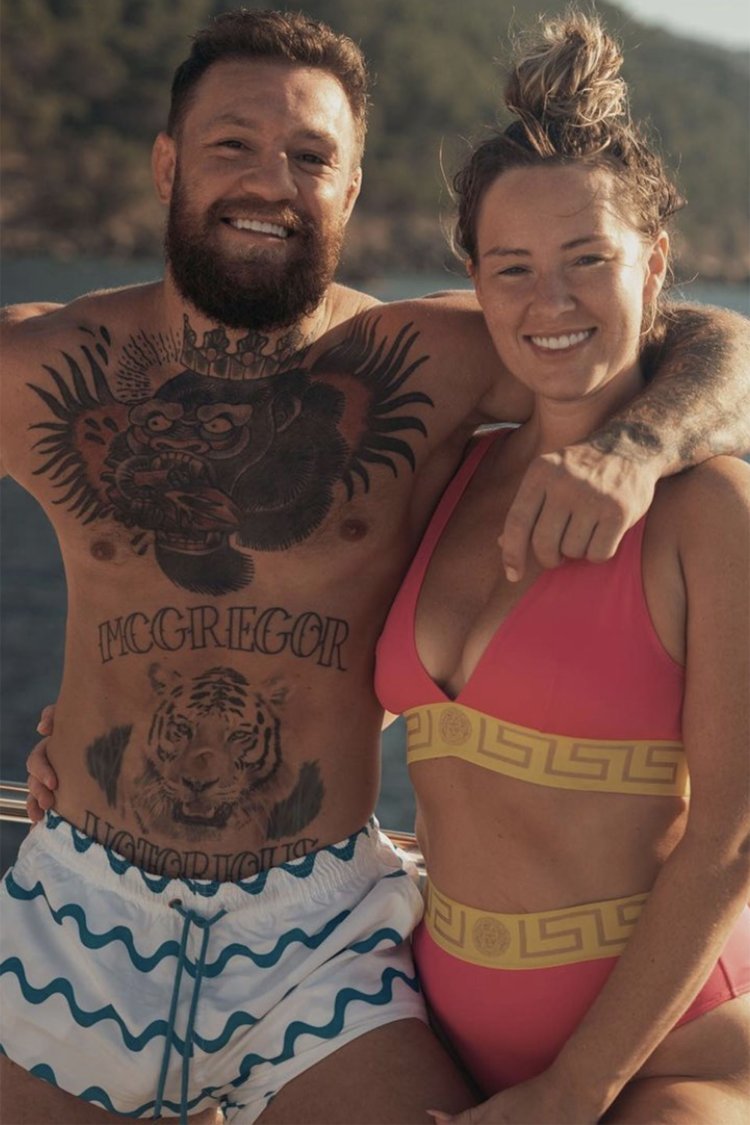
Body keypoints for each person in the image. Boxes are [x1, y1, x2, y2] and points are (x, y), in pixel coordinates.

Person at [6, 7, 750, 1125]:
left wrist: (636, 449)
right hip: (80, 903)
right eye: (232, 145)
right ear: (166, 164)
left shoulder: (429, 362)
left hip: (317, 941)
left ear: (351, 189)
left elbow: (700, 340)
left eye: (311, 156)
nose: (271, 181)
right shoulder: (39, 366)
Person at [373, 12, 750, 1124]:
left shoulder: (711, 512)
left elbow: (733, 833)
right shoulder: (446, 478)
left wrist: (576, 1090)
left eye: (590, 259)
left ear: (656, 263)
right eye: (514, 269)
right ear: (475, 282)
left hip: (663, 1059)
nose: (553, 303)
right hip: (441, 1036)